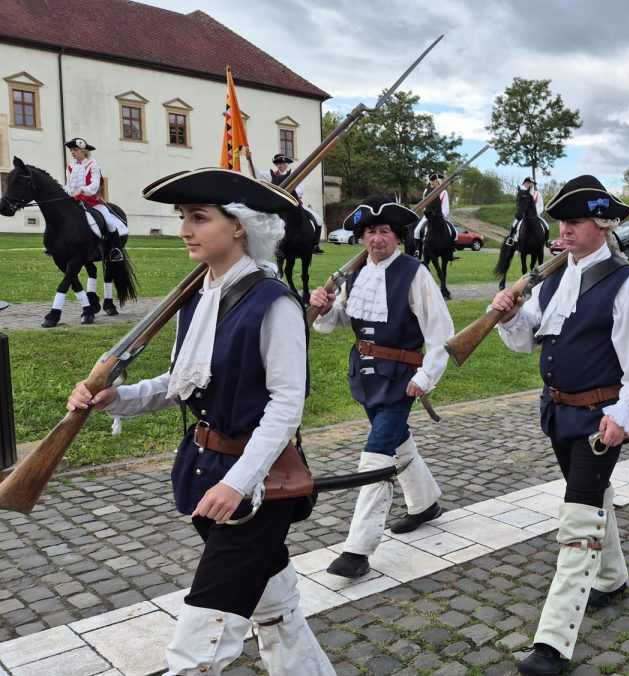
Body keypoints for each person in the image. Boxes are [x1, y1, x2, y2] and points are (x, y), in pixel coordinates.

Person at [65, 168, 334, 675]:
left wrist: (238, 484)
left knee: (198, 645)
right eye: (184, 218)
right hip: (205, 469)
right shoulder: (197, 298)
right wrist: (115, 397)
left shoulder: (273, 301)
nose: (185, 229)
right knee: (276, 612)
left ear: (239, 227)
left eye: (199, 218)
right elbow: (180, 382)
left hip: (255, 488)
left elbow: (286, 405)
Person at [490, 175, 629, 675]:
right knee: (592, 496)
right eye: (561, 220)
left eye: (576, 220)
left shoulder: (627, 283)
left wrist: (625, 413)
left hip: (598, 417)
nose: (564, 228)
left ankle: (553, 642)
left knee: (577, 517)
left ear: (602, 226)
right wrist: (507, 316)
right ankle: (612, 577)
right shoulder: (561, 276)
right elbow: (529, 339)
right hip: (557, 412)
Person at [310, 196, 453, 578]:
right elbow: (341, 319)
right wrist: (324, 308)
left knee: (376, 454)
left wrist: (425, 378)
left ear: (397, 236)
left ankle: (357, 550)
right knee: (397, 440)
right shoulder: (355, 276)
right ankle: (425, 505)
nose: (377, 238)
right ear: (362, 237)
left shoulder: (414, 272)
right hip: (365, 374)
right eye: (370, 231)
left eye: (385, 231)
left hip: (400, 379)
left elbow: (441, 333)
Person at [65, 136, 128, 316]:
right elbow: (69, 185)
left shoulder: (93, 165)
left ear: (83, 151)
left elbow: (93, 185)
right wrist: (65, 193)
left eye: (75, 150)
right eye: (71, 151)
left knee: (108, 220)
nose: (72, 153)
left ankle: (115, 250)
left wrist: (82, 190)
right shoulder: (71, 167)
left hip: (93, 202)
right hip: (76, 203)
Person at [258, 153, 324, 254]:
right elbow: (257, 174)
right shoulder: (272, 175)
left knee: (318, 220)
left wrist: (293, 194)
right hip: (280, 207)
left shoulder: (295, 174)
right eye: (278, 163)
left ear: (286, 164)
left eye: (282, 163)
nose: (280, 165)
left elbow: (301, 188)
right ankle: (272, 246)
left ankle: (315, 245)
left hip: (296, 204)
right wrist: (249, 159)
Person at [414, 173, 451, 251]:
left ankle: (451, 251)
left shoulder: (444, 192)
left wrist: (442, 215)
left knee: (454, 233)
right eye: (430, 180)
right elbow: (424, 204)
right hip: (428, 216)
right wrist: (426, 212)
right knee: (416, 231)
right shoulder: (426, 191)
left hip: (440, 216)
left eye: (433, 181)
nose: (431, 182)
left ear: (437, 181)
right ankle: (418, 250)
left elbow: (445, 206)